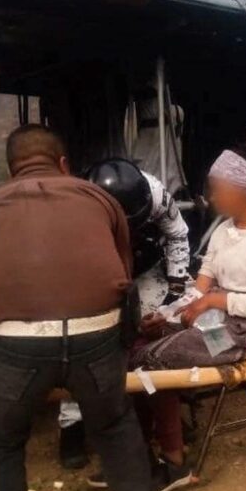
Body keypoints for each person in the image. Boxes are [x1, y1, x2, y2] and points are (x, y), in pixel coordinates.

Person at [0, 125, 168, 491]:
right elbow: (122, 273)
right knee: (115, 426)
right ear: (63, 163)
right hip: (96, 336)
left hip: (12, 344)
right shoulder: (98, 199)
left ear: (12, 167)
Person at [114, 139, 246, 491]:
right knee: (141, 345)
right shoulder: (225, 229)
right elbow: (199, 289)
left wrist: (215, 300)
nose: (211, 199)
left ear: (242, 189)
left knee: (152, 360)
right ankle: (148, 442)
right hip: (225, 324)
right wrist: (169, 314)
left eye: (216, 190)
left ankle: (172, 457)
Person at [57, 158, 190, 471]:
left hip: (145, 265)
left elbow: (178, 235)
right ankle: (72, 428)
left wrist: (174, 288)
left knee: (149, 341)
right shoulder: (75, 206)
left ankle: (160, 424)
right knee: (86, 345)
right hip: (92, 269)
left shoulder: (155, 193)